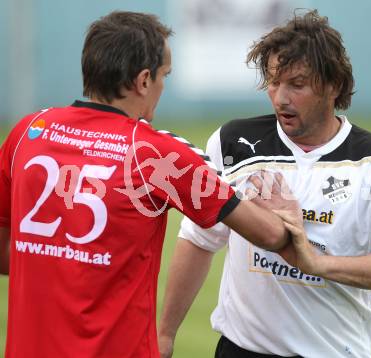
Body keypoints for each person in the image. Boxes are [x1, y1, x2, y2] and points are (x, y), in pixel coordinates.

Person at [0, 11, 299, 358]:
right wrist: (285, 214)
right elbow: (270, 236)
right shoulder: (158, 155)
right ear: (143, 80)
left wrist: (61, 260)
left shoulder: (27, 132)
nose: (161, 87)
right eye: (163, 77)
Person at [158, 9, 371, 358]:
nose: (279, 98)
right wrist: (165, 334)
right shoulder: (233, 143)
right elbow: (198, 239)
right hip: (240, 350)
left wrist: (315, 263)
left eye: (297, 85)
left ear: (333, 85)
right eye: (273, 82)